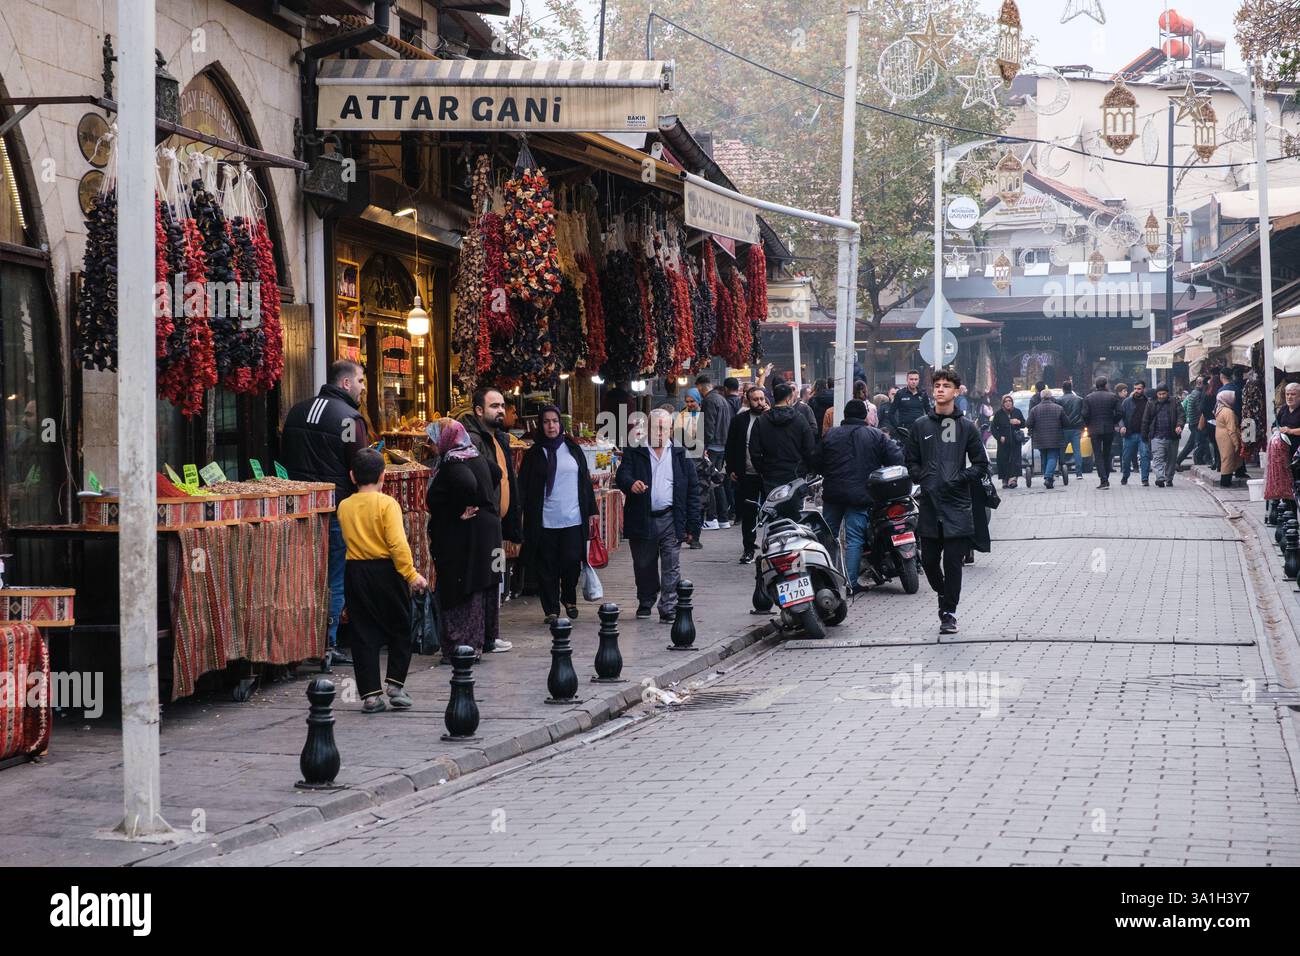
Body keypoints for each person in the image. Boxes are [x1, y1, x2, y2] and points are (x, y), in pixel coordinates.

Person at [282, 359, 369, 667]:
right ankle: (327, 643)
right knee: (333, 578)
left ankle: (297, 641)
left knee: (301, 577)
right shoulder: (349, 418)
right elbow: (361, 467)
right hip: (335, 509)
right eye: (360, 381)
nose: (362, 388)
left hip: (298, 512)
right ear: (345, 383)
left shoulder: (296, 410)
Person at [336, 448, 428, 713]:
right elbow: (397, 545)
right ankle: (396, 685)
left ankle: (370, 696)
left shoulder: (344, 506)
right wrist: (411, 575)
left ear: (352, 476)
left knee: (363, 633)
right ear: (383, 477)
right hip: (387, 571)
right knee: (400, 627)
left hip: (355, 572)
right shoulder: (388, 504)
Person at [904, 369, 990, 635]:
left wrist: (959, 478)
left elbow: (981, 464)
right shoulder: (920, 426)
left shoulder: (966, 427)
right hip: (929, 504)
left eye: (946, 386)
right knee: (929, 561)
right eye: (937, 385)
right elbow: (910, 461)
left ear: (956, 391)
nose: (940, 389)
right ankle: (944, 594)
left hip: (957, 506)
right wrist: (924, 477)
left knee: (953, 563)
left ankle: (949, 613)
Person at [426, 419, 505, 661]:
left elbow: (466, 483)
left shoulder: (453, 463)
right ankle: (482, 640)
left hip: (466, 537)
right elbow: (496, 472)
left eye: (433, 439)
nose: (429, 444)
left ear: (446, 439)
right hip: (486, 532)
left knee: (464, 587)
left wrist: (459, 509)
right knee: (481, 584)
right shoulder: (474, 455)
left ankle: (462, 646)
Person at [615, 409, 701, 622]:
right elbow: (622, 474)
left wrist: (693, 527)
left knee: (671, 565)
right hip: (642, 517)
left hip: (670, 518)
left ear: (671, 429)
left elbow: (693, 491)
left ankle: (668, 607)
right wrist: (631, 484)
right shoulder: (635, 450)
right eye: (654, 427)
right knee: (644, 564)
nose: (659, 432)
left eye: (663, 428)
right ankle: (646, 600)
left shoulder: (680, 455)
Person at [519, 406, 598, 625]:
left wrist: (592, 511)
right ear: (540, 425)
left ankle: (569, 598)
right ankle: (551, 608)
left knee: (572, 561)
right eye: (546, 422)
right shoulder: (534, 454)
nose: (551, 426)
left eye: (554, 421)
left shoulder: (572, 448)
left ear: (560, 424)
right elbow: (523, 487)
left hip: (573, 518)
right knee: (547, 566)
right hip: (544, 520)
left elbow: (585, 479)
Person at [815, 399, 903, 592]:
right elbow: (896, 459)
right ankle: (850, 583)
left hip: (833, 494)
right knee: (855, 538)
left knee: (828, 536)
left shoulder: (831, 435)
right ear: (864, 415)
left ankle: (825, 582)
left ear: (845, 415)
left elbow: (816, 461)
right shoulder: (876, 435)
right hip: (861, 495)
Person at [459, 387, 521, 650]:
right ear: (479, 411)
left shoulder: (498, 438)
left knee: (495, 575)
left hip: (495, 520)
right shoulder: (472, 440)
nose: (500, 410)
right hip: (481, 521)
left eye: (502, 405)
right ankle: (483, 636)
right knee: (485, 578)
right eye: (494, 406)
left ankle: (490, 634)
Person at [726, 386, 770, 564]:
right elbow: (731, 445)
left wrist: (770, 415)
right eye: (755, 399)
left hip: (769, 474)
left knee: (771, 512)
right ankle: (748, 548)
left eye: (762, 398)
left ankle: (772, 546)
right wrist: (730, 469)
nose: (760, 402)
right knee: (748, 512)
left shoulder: (772, 417)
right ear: (748, 400)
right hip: (747, 473)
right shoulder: (740, 420)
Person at [750, 381, 817, 494]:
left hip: (771, 474)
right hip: (795, 474)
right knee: (794, 510)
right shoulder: (800, 419)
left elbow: (754, 450)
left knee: (772, 508)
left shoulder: (761, 420)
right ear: (788, 399)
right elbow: (809, 448)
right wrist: (806, 469)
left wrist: (762, 469)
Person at [699, 374, 735, 527]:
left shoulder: (709, 400)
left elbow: (708, 425)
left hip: (712, 446)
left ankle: (712, 517)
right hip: (723, 445)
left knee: (707, 481)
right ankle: (723, 518)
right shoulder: (722, 400)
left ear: (701, 386)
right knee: (718, 481)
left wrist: (704, 446)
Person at [1142, 384, 1186, 488]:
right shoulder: (1151, 403)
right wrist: (1144, 434)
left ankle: (1169, 478)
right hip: (1156, 436)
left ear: (1168, 393)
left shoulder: (1175, 402)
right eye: (1159, 394)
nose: (1161, 396)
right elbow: (1145, 420)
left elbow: (1182, 415)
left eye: (1164, 394)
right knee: (1158, 458)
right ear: (1156, 394)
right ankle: (1160, 478)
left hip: (1172, 436)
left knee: (1171, 459)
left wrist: (1179, 425)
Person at [1083, 377, 1122, 489]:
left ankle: (1103, 479)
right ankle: (1106, 477)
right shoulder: (1112, 396)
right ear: (1106, 385)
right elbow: (1120, 412)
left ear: (1096, 385)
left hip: (1094, 429)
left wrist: (1088, 424)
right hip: (1109, 428)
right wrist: (1113, 421)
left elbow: (1085, 414)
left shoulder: (1089, 398)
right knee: (1107, 452)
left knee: (1098, 454)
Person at [1027, 390, 1066, 489]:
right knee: (1052, 457)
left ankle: (1048, 477)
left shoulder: (1035, 410)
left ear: (1041, 397)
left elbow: (1028, 423)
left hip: (1040, 438)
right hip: (1055, 437)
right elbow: (1066, 422)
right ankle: (1048, 477)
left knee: (1044, 457)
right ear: (1051, 397)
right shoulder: (1059, 408)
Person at [1118, 380, 1152, 486]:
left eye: (1139, 389)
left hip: (1143, 434)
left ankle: (1144, 479)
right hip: (1129, 434)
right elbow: (1120, 417)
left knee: (1145, 456)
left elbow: (1152, 418)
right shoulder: (1127, 402)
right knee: (1126, 458)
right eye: (1135, 388)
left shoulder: (1148, 402)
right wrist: (1122, 426)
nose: (1137, 391)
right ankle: (1125, 475)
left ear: (1144, 389)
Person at [991, 395, 1024, 488]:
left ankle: (1013, 480)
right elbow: (993, 428)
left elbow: (1024, 423)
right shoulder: (999, 414)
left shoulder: (1017, 412)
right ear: (1003, 403)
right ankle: (1005, 480)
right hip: (1003, 442)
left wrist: (1019, 422)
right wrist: (999, 437)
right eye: (1006, 401)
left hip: (1015, 441)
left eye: (1010, 401)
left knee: (1015, 460)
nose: (1008, 403)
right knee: (1003, 460)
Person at [1057, 381, 1086, 483]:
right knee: (1077, 451)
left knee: (1061, 450)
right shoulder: (1079, 400)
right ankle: (1079, 473)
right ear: (1071, 388)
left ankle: (1061, 470)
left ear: (1063, 389)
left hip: (1064, 428)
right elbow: (1083, 413)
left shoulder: (1059, 400)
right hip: (1076, 428)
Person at [1215, 389, 1243, 488]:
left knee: (1227, 458)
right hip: (1227, 437)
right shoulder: (1228, 412)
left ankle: (1226, 480)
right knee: (1228, 458)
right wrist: (1236, 442)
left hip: (1221, 435)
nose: (1234, 400)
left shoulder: (1220, 408)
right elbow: (1232, 429)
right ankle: (1225, 482)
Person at [890, 369, 931, 435]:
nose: (913, 381)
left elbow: (929, 413)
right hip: (904, 431)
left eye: (916, 379)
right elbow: (891, 413)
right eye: (911, 379)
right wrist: (897, 428)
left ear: (918, 380)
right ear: (907, 380)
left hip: (919, 430)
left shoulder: (923, 394)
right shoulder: (900, 394)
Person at [1177, 377, 1205, 468]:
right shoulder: (1198, 394)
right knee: (1200, 444)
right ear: (1200, 383)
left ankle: (1177, 462)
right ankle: (1199, 461)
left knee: (1191, 444)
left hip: (1193, 423)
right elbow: (1199, 409)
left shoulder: (1193, 393)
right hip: (1197, 423)